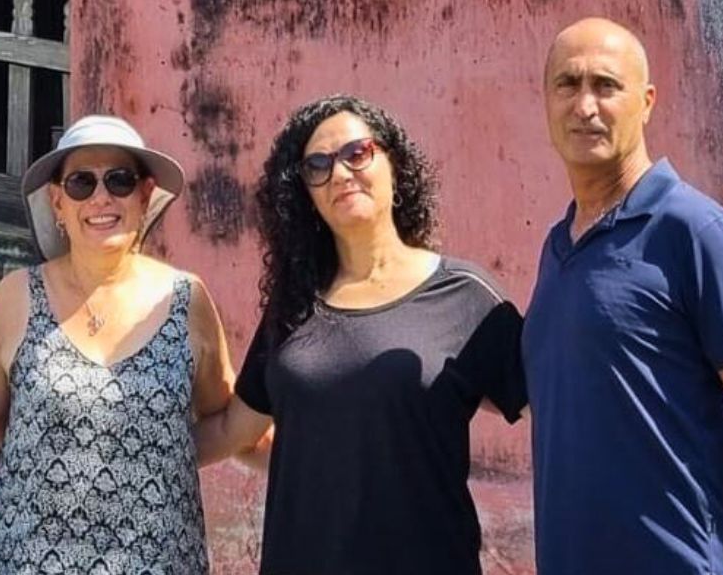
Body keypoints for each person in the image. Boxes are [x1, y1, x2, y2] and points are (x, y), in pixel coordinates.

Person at [197, 95, 526, 575]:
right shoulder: (293, 307)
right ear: (304, 195)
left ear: (395, 166)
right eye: (317, 165)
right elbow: (235, 433)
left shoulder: (466, 296)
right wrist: (120, 448)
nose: (340, 173)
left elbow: (557, 413)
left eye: (357, 153)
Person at [524, 18, 723, 574]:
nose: (585, 106)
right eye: (568, 84)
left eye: (606, 85)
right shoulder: (558, 247)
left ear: (646, 102)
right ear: (547, 101)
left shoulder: (695, 232)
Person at [0, 114, 235, 574]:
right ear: (58, 202)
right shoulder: (16, 297)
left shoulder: (185, 299)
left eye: (120, 180)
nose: (101, 197)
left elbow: (225, 419)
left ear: (145, 195)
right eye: (81, 183)